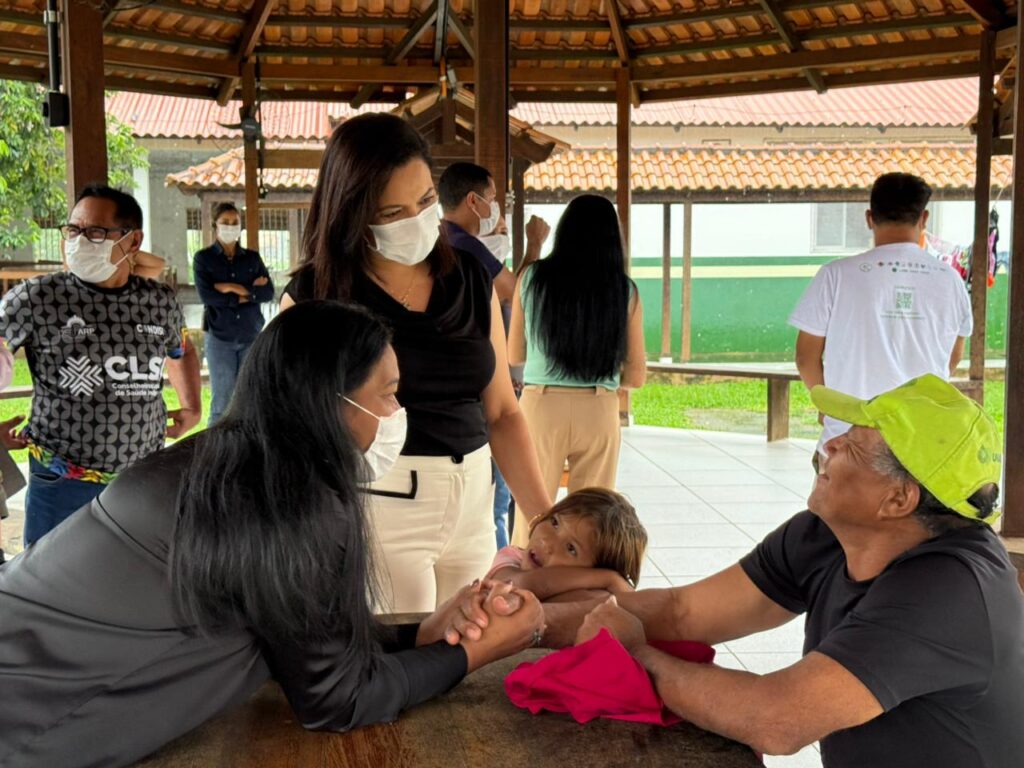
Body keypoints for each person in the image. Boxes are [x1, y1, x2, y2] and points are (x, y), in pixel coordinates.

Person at [0, 301, 545, 768]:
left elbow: (302, 635)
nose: (398, 414)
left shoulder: (226, 463)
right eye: (388, 394)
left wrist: (419, 633)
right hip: (27, 722)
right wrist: (478, 652)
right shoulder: (290, 504)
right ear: (329, 401)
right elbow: (338, 698)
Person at [453, 375, 1022, 767]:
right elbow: (684, 612)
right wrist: (532, 622)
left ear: (898, 499)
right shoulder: (828, 534)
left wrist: (637, 653)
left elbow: (777, 719)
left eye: (853, 445)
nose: (829, 446)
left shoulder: (949, 593)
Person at [279, 113, 552, 613]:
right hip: (380, 507)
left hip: (474, 504)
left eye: (425, 201)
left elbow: (502, 412)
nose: (415, 220)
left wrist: (544, 521)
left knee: (471, 647)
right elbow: (291, 433)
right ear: (352, 213)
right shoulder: (316, 295)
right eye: (392, 212)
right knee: (401, 653)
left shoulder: (469, 277)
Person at [0, 184, 201, 547]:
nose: (79, 241)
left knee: (133, 572)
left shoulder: (159, 302)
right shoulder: (36, 298)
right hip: (61, 479)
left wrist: (192, 407)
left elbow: (181, 349)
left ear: (133, 241)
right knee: (50, 573)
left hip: (141, 480)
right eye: (73, 230)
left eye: (95, 232)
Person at [790, 172, 973, 460]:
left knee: (834, 491)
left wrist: (829, 405)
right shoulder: (951, 281)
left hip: (846, 439)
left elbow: (805, 357)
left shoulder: (835, 275)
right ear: (924, 218)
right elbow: (953, 356)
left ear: (869, 217)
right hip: (919, 443)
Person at [507, 194, 647, 546]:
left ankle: (523, 576)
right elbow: (636, 377)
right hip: (598, 409)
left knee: (531, 516)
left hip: (541, 406)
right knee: (592, 521)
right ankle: (579, 579)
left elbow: (514, 355)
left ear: (564, 231)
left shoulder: (531, 278)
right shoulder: (624, 290)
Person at [477, 213, 551, 548]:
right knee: (498, 500)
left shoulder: (496, 275)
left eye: (505, 230)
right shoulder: (477, 275)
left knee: (506, 499)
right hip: (495, 399)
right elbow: (516, 291)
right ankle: (503, 564)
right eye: (495, 230)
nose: (501, 236)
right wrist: (534, 246)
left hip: (513, 394)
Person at [193, 202, 275, 424]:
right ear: (215, 225)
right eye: (225, 222)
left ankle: (247, 444)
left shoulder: (252, 259)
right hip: (220, 337)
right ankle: (216, 446)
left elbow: (267, 292)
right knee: (222, 403)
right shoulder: (203, 258)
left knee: (250, 400)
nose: (230, 226)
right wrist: (250, 291)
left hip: (250, 334)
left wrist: (231, 287)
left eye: (235, 222)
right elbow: (208, 297)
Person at [487, 487, 647, 600]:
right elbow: (521, 585)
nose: (547, 542)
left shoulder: (592, 596)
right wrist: (608, 579)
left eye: (571, 548)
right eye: (554, 522)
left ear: (592, 570)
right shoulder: (510, 557)